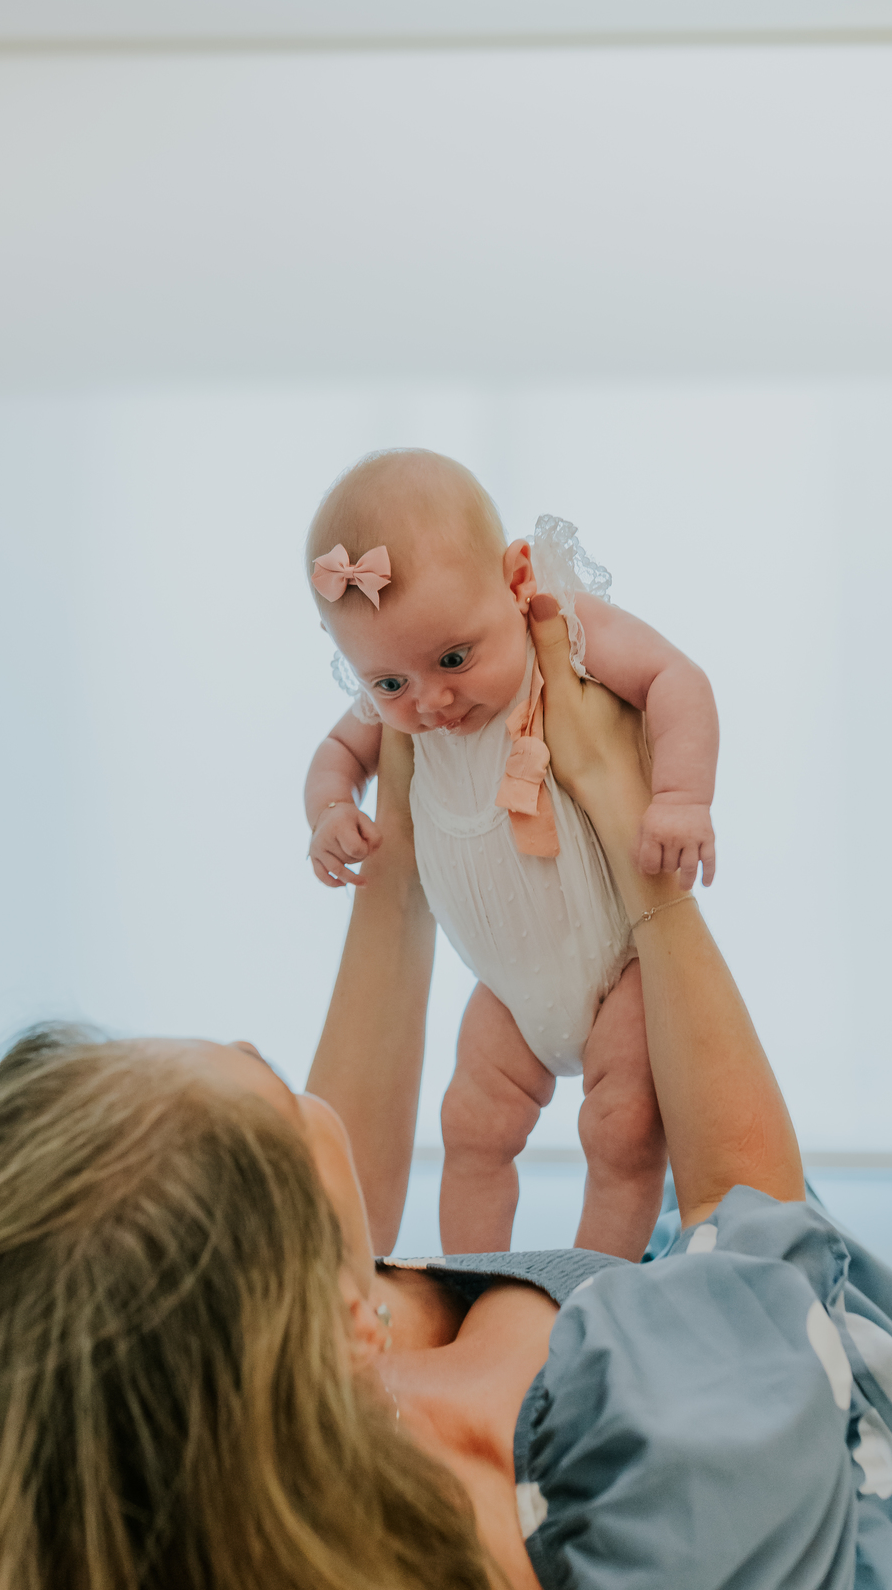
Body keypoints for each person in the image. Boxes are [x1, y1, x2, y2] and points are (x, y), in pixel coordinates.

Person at [0, 604, 892, 1590]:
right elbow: (758, 1222)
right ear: (329, 1320)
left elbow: (342, 1212)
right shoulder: (634, 1500)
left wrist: (408, 786)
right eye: (275, 1086)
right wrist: (624, 818)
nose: (270, 1059)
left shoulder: (262, 1406)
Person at [303, 448, 719, 1259]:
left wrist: (680, 798)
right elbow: (334, 754)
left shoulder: (560, 630)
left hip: (619, 962)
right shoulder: (400, 701)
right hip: (511, 988)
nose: (431, 701)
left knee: (625, 1129)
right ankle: (476, 1282)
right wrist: (327, 811)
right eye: (388, 684)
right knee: (472, 1126)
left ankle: (594, 1287)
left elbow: (677, 679)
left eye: (454, 659)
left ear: (517, 577)